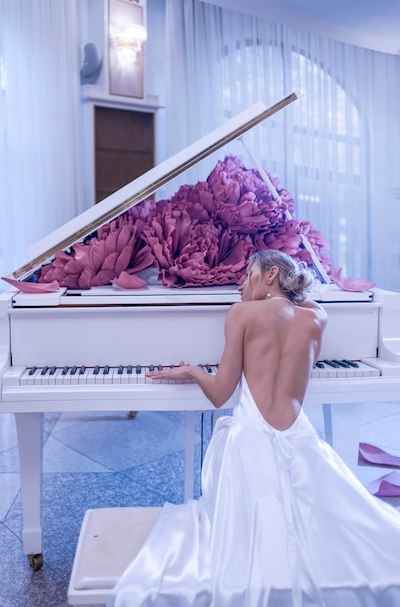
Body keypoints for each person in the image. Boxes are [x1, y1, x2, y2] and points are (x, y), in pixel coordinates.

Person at [108, 250, 400, 607]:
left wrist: (195, 371)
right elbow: (299, 297)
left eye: (249, 273)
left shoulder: (242, 313)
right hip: (302, 442)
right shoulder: (316, 317)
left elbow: (220, 395)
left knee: (225, 538)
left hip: (250, 446)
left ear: (271, 274)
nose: (240, 283)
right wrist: (284, 283)